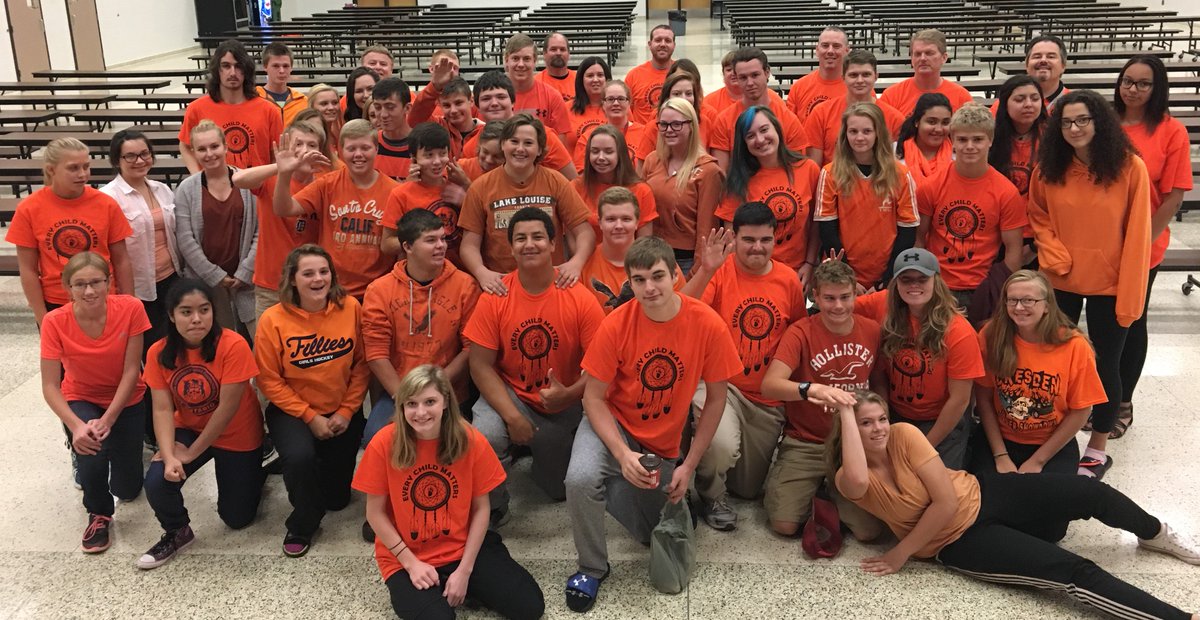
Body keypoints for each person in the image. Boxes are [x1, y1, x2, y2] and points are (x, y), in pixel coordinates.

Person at [829, 391, 1200, 619]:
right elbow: (862, 479)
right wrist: (845, 411)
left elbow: (944, 501)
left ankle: (1156, 534)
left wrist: (900, 553)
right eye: (864, 423)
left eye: (881, 419)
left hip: (984, 491)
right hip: (956, 543)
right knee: (1073, 572)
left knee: (1090, 493)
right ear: (849, 430)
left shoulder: (904, 433)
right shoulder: (850, 478)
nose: (878, 428)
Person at [563, 236, 741, 612]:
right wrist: (621, 453)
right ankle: (591, 567)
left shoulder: (706, 323)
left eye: (658, 276)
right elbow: (592, 398)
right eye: (639, 279)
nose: (650, 288)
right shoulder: (616, 324)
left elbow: (717, 399)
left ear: (676, 274)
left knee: (649, 533)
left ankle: (630, 484)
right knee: (580, 478)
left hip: (662, 442)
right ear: (630, 282)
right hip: (614, 424)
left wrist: (689, 465)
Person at [352, 365, 545, 620]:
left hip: (461, 547)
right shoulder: (384, 442)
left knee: (530, 607)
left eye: (429, 401)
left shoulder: (470, 439)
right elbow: (375, 515)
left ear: (445, 401)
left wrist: (464, 571)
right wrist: (411, 564)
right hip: (407, 555)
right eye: (411, 404)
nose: (420, 412)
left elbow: (482, 509)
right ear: (402, 407)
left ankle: (462, 583)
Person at [1028, 89, 1151, 479]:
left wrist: (1131, 296)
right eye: (1066, 122)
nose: (1075, 128)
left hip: (1110, 284)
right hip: (1061, 278)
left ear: (1100, 122)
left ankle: (1097, 447)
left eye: (1083, 119)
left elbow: (1138, 236)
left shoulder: (1131, 168)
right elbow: (1038, 217)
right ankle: (1053, 434)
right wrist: (1054, 254)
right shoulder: (1048, 169)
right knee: (1054, 360)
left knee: (1105, 364)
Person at [464, 207, 605, 524]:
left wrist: (569, 395)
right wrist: (513, 416)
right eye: (521, 238)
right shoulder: (496, 296)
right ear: (511, 247)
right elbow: (480, 366)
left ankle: (535, 453)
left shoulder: (579, 297)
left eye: (538, 237)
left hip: (562, 400)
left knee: (558, 489)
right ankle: (495, 505)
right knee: (484, 435)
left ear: (554, 244)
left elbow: (602, 369)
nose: (530, 244)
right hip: (510, 393)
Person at [682, 202, 807, 530]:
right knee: (722, 447)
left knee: (749, 490)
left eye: (765, 240)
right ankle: (710, 494)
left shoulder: (788, 280)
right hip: (721, 386)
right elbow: (680, 311)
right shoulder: (719, 271)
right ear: (734, 238)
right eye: (749, 239)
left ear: (775, 239)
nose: (757, 247)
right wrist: (706, 269)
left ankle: (710, 468)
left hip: (766, 397)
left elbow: (799, 336)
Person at [137, 279, 265, 569]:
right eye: (186, 312)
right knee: (158, 480)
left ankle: (257, 472)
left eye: (204, 310)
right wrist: (169, 454)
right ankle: (177, 531)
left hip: (236, 432)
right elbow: (161, 407)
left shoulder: (233, 344)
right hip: (190, 428)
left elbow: (227, 408)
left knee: (237, 519)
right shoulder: (158, 352)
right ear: (171, 315)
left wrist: (192, 452)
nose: (197, 319)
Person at [255, 244, 369, 557]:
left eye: (323, 272)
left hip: (341, 410)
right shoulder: (272, 320)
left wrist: (346, 411)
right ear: (292, 279)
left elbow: (361, 364)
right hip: (292, 411)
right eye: (308, 273)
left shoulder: (351, 308)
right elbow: (268, 380)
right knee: (300, 458)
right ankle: (302, 524)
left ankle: (310, 469)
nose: (317, 279)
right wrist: (309, 417)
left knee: (337, 501)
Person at [760, 259, 884, 540]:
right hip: (806, 441)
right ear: (815, 297)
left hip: (851, 443)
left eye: (845, 297)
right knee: (783, 524)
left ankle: (830, 490)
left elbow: (878, 382)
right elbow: (770, 385)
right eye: (829, 298)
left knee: (869, 532)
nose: (838, 306)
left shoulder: (872, 331)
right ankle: (815, 487)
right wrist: (810, 389)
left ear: (856, 294)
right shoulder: (801, 331)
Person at [39, 252, 149, 553]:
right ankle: (99, 513)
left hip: (126, 399)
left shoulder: (131, 308)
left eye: (96, 282)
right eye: (79, 284)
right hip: (81, 397)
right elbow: (50, 385)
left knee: (128, 489)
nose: (89, 291)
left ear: (109, 282)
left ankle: (113, 453)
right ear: (67, 288)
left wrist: (109, 419)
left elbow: (132, 371)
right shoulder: (54, 321)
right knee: (91, 452)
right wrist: (75, 426)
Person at [1114, 54, 1194, 440]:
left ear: (1157, 87)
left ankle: (1123, 400)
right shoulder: (1105, 122)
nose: (1132, 89)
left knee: (1131, 320)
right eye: (1127, 81)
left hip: (1143, 244)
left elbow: (1174, 196)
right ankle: (1094, 396)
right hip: (1097, 243)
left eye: (1142, 83)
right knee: (1099, 324)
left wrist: (1140, 244)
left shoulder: (1170, 131)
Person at [973, 270, 1104, 494]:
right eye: (1012, 300)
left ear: (1047, 305)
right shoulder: (991, 335)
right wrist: (1000, 455)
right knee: (988, 505)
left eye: (1028, 300)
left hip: (1052, 443)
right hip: (1000, 439)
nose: (1019, 307)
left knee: (1051, 524)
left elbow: (1081, 411)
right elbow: (983, 399)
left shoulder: (1074, 345)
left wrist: (1039, 461)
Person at [854, 249, 983, 469]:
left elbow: (960, 400)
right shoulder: (882, 304)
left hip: (941, 421)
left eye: (922, 279)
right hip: (893, 415)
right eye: (906, 279)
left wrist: (924, 447)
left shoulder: (959, 331)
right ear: (896, 284)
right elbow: (839, 307)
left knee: (932, 484)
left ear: (937, 281)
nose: (914, 285)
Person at [362, 209, 480, 447]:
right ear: (407, 247)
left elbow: (470, 349)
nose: (441, 246)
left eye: (442, 238)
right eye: (430, 240)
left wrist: (433, 391)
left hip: (449, 391)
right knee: (376, 441)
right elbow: (376, 354)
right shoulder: (379, 290)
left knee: (457, 445)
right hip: (400, 390)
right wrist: (408, 399)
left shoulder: (465, 285)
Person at [458, 114, 595, 295]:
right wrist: (482, 273)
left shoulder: (556, 181)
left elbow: (585, 232)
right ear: (503, 145)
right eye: (514, 141)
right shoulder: (480, 187)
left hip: (553, 285)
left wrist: (575, 264)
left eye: (528, 143)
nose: (520, 149)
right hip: (502, 287)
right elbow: (469, 245)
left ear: (540, 150)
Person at [915, 104, 1025, 322]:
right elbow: (919, 239)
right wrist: (924, 280)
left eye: (977, 139)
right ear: (952, 141)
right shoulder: (931, 186)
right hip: (939, 284)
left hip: (982, 287)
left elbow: (1014, 249)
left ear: (990, 140)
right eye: (963, 139)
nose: (969, 146)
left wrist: (997, 287)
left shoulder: (1006, 192)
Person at [8, 137, 134, 326]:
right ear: (51, 170)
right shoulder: (29, 208)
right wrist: (42, 318)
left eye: (86, 166)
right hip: (57, 303)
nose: (83, 174)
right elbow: (28, 270)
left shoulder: (105, 204)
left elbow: (121, 260)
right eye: (73, 168)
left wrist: (129, 305)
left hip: (104, 298)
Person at [274, 119, 399, 300]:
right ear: (340, 151)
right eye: (351, 149)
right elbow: (283, 208)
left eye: (365, 148)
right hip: (333, 289)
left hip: (376, 292)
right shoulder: (328, 183)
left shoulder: (394, 191)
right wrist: (284, 173)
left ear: (377, 149)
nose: (358, 154)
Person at [232, 120, 331, 319]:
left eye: (312, 145)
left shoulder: (326, 182)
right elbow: (238, 179)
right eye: (298, 144)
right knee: (268, 348)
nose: (304, 150)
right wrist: (280, 167)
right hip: (271, 284)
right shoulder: (272, 177)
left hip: (312, 283)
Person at [816, 103, 919, 292]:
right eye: (853, 131)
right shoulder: (830, 173)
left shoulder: (900, 174)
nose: (860, 137)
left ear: (878, 133)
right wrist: (849, 278)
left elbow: (907, 233)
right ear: (845, 135)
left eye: (867, 131)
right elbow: (827, 233)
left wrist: (886, 279)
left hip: (886, 276)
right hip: (843, 276)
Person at [100, 130, 180, 354]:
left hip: (171, 278)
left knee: (172, 344)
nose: (140, 160)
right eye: (130, 156)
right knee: (147, 348)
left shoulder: (162, 189)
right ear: (117, 160)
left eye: (145, 154)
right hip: (136, 286)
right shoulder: (108, 197)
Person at [718, 106, 821, 275]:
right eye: (750, 136)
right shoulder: (737, 181)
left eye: (764, 130)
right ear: (743, 144)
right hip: (753, 273)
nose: (760, 139)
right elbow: (731, 239)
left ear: (777, 129)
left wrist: (810, 264)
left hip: (797, 272)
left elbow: (816, 225)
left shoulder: (808, 169)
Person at [642, 98, 725, 275]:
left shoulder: (708, 170)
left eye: (676, 124)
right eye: (663, 124)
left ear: (691, 126)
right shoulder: (652, 160)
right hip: (652, 256)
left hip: (685, 261)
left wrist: (696, 272)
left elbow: (706, 230)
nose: (669, 130)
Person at [179, 39, 282, 172]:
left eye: (238, 66)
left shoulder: (269, 110)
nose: (233, 73)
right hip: (214, 190)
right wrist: (198, 178)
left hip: (259, 190)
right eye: (226, 66)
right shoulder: (196, 109)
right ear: (217, 69)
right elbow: (185, 146)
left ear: (246, 70)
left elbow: (277, 154)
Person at [581, 187, 685, 312]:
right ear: (600, 223)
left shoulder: (662, 262)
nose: (618, 226)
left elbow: (682, 310)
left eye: (626, 219)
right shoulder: (582, 264)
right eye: (611, 219)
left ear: (637, 223)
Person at [381, 122, 469, 266]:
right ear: (414, 158)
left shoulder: (459, 185)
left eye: (442, 154)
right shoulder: (401, 194)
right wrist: (416, 239)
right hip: (418, 273)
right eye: (428, 155)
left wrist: (467, 196)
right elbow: (386, 245)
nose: (437, 161)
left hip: (458, 271)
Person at [462, 71, 577, 180]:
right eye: (486, 98)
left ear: (512, 102)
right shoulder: (471, 146)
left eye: (501, 97)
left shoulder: (544, 136)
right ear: (477, 106)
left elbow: (572, 181)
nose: (494, 103)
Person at [711, 47, 810, 170]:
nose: (750, 83)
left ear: (767, 72)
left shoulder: (788, 119)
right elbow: (722, 173)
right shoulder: (724, 121)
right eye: (743, 77)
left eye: (755, 75)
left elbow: (799, 171)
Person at [805, 50, 905, 167]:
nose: (860, 80)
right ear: (843, 77)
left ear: (876, 76)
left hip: (879, 183)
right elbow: (814, 166)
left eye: (866, 74)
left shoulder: (895, 118)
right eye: (853, 75)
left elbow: (898, 167)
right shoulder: (821, 113)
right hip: (835, 183)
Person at [572, 125, 657, 239]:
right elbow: (572, 239)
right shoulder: (575, 188)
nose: (601, 157)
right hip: (586, 256)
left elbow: (643, 243)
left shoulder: (642, 191)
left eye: (608, 151)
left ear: (620, 154)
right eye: (595, 151)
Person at [878, 29, 974, 117]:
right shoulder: (891, 96)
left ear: (944, 57)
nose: (923, 58)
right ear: (911, 58)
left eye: (929, 53)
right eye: (917, 54)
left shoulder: (961, 97)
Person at [407, 59, 482, 159]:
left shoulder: (484, 131)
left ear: (471, 101)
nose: (453, 110)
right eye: (447, 105)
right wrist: (434, 87)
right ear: (440, 105)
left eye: (458, 103)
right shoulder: (438, 126)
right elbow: (414, 120)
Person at [504, 33, 572, 143]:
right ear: (507, 60)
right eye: (515, 58)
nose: (521, 64)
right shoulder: (493, 98)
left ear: (534, 61)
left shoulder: (552, 97)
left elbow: (560, 144)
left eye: (526, 59)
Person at [988, 74, 1047, 199]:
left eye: (1035, 99)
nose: (1028, 104)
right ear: (1005, 104)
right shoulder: (989, 137)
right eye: (1020, 100)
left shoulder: (1051, 137)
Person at [637, 70, 718, 157]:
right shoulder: (653, 128)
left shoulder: (705, 122)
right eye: (677, 94)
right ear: (667, 97)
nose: (683, 98)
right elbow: (642, 169)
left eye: (689, 93)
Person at [573, 80, 647, 171]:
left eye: (621, 99)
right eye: (610, 99)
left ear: (629, 103)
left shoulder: (645, 134)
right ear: (603, 104)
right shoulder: (588, 138)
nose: (616, 103)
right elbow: (581, 175)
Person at [786, 27, 850, 122]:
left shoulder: (859, 88)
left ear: (847, 51)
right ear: (817, 50)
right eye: (825, 45)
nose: (830, 51)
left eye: (836, 46)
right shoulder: (799, 88)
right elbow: (789, 129)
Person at [895, 93, 953, 185]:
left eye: (945, 122)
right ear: (917, 122)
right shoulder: (892, 155)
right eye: (931, 122)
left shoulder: (959, 156)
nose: (938, 129)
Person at [624, 25, 677, 124]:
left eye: (668, 41)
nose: (663, 44)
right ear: (650, 44)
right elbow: (625, 112)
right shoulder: (634, 76)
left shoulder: (681, 72)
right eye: (658, 40)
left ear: (674, 45)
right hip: (642, 137)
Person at [371, 77, 415, 181]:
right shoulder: (369, 144)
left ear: (407, 108)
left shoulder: (424, 145)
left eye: (390, 107)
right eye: (377, 107)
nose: (383, 114)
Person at [257, 42, 308, 128]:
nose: (281, 71)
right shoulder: (254, 98)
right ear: (265, 67)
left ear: (291, 68)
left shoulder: (303, 102)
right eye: (276, 66)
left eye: (286, 66)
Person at [567, 56, 611, 152]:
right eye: (590, 76)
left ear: (607, 79)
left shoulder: (618, 107)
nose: (595, 80)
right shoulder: (566, 109)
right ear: (581, 80)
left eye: (600, 75)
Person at [1024, 35, 1069, 110]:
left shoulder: (1076, 104)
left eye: (1051, 56)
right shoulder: (1006, 104)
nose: (1043, 60)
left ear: (1063, 65)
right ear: (1026, 65)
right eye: (1037, 56)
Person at [537, 31, 576, 103]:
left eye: (562, 49)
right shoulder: (535, 83)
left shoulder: (580, 80)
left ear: (568, 54)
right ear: (544, 53)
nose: (558, 53)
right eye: (553, 49)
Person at [306, 83, 343, 153]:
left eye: (335, 103)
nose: (331, 107)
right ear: (312, 107)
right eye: (324, 104)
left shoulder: (339, 133)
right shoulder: (307, 138)